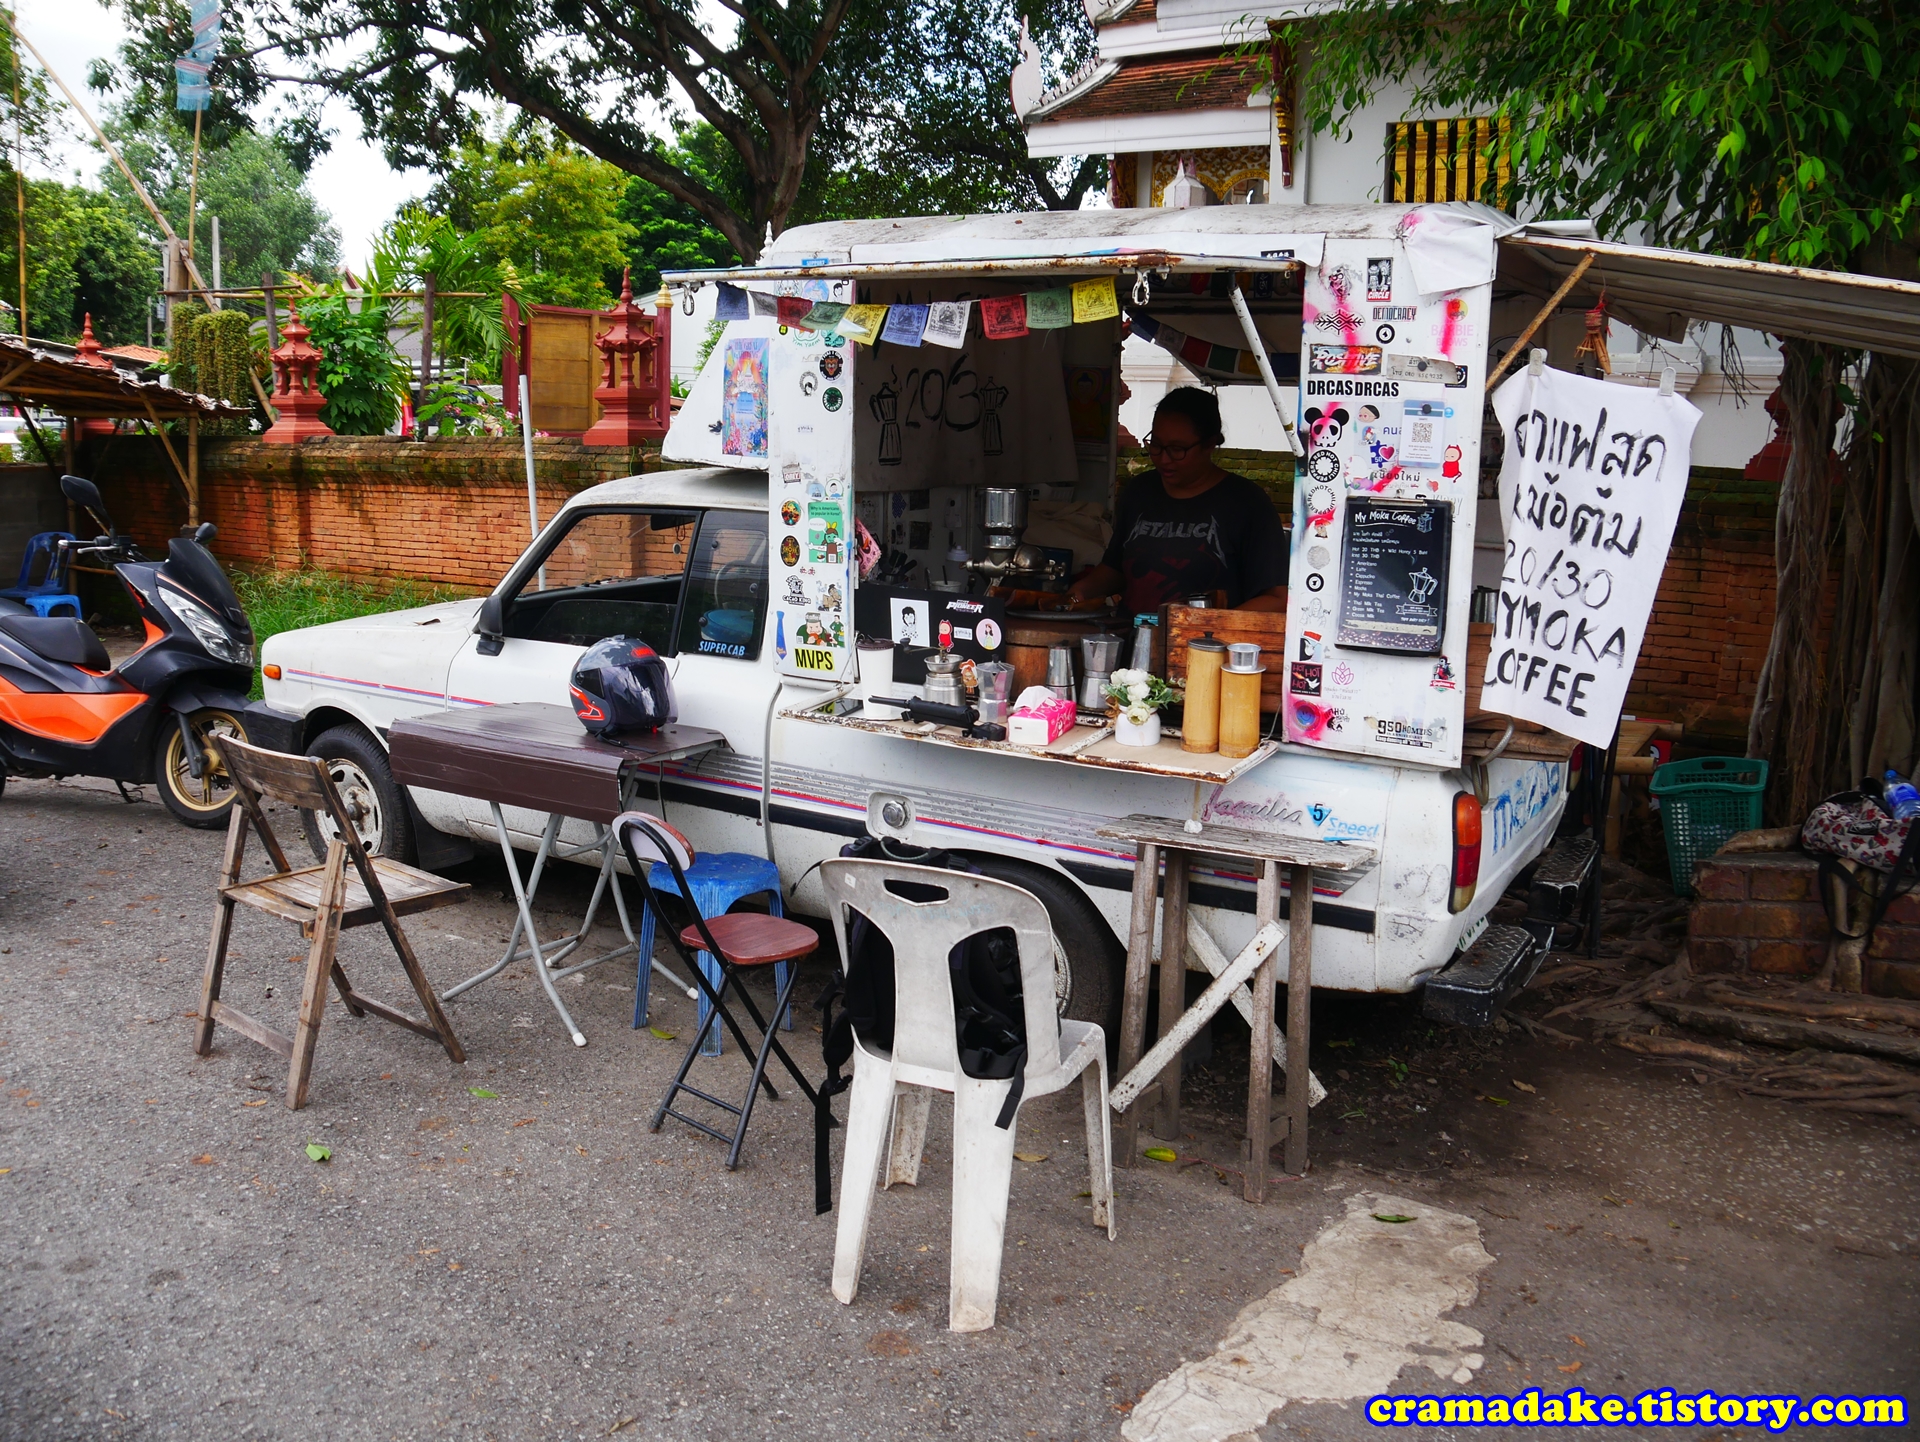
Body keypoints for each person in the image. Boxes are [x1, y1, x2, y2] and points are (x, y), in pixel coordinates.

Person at [1069, 387, 1287, 614]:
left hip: (1206, 646)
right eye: (1156, 445)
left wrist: (1214, 629)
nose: (1164, 458)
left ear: (1209, 444)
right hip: (1135, 640)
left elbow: (1275, 598)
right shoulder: (1140, 491)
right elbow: (1115, 569)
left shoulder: (1247, 503)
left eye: (1177, 449)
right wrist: (1079, 593)